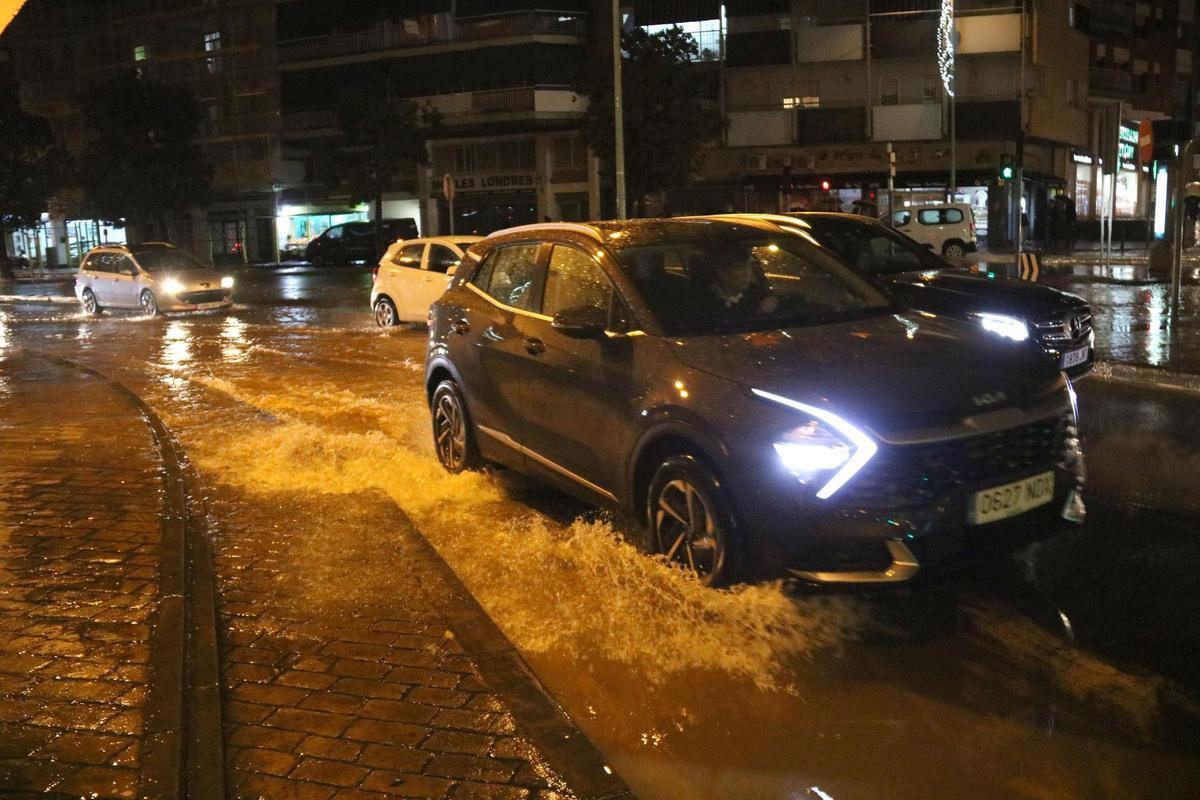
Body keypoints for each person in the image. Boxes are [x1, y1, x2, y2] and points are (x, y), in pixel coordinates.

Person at [692, 247, 778, 319]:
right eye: (739, 267)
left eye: (749, 266)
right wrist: (756, 311)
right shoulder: (700, 300)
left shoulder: (758, 294)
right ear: (722, 272)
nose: (747, 273)